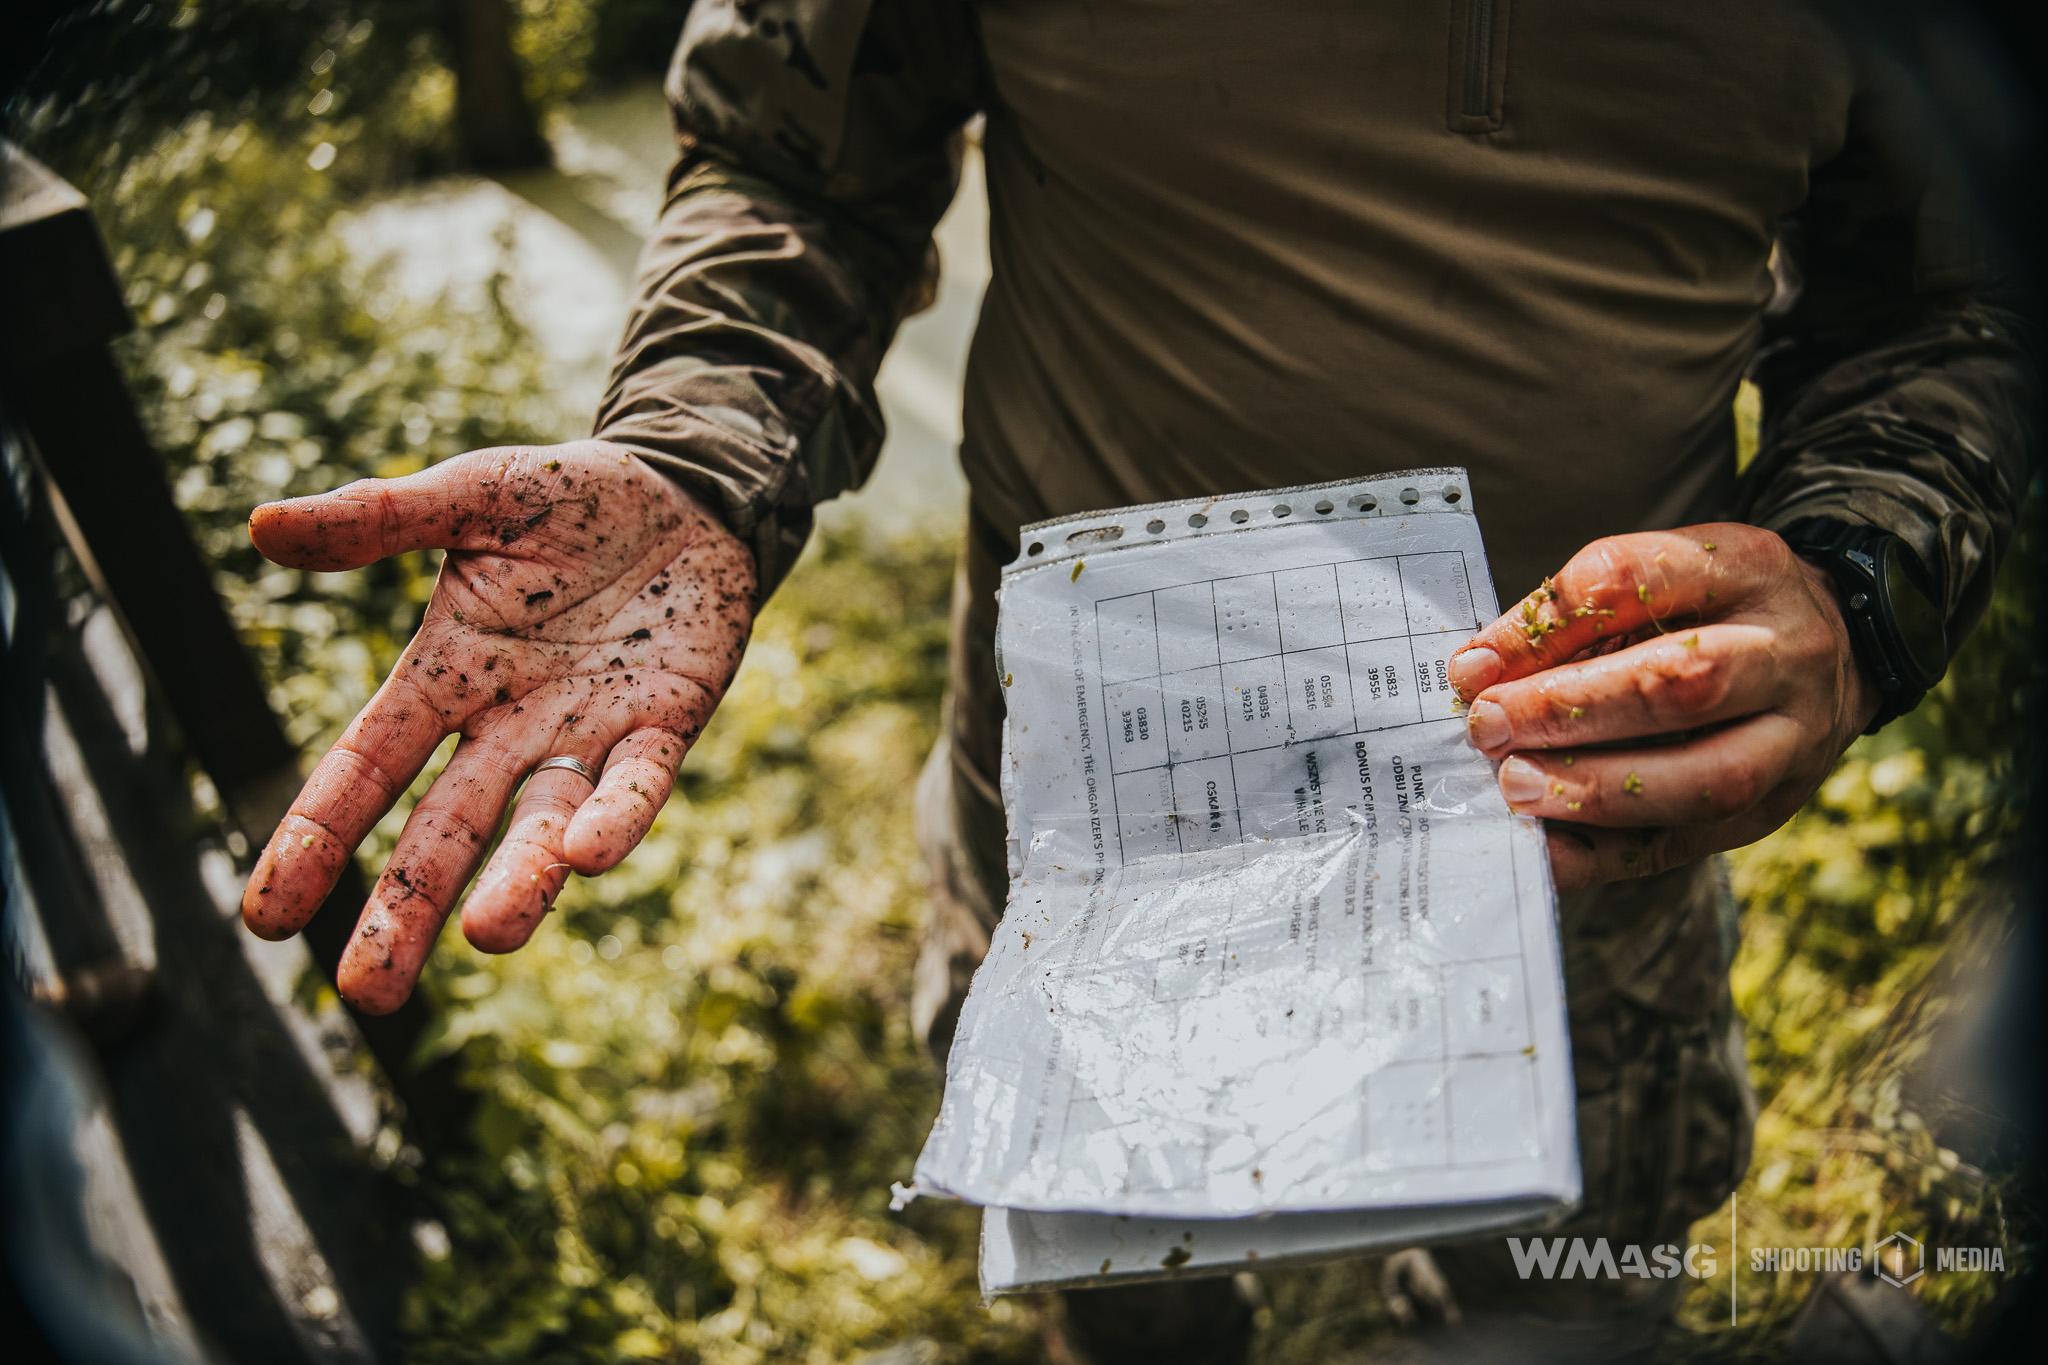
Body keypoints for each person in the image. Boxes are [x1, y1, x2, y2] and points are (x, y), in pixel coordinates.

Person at [240, 2, 2035, 1360]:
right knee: (1141, 1297)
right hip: (1100, 838)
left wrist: (1855, 578)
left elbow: (1954, 294)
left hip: (1578, 852)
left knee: (1550, 1302)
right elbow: (800, 155)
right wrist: (702, 452)